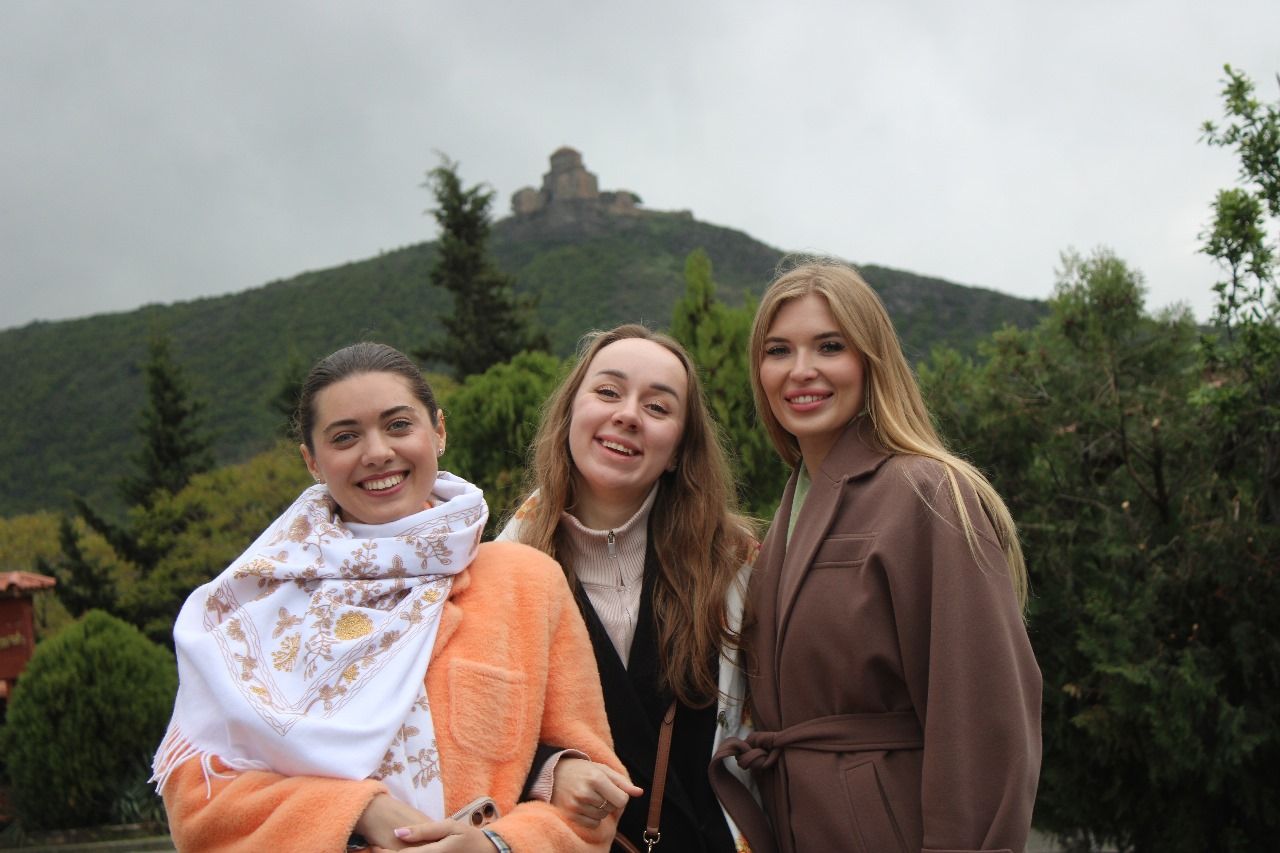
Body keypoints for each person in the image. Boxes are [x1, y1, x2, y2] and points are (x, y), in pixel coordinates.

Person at [152, 342, 622, 853]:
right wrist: (361, 812)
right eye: (345, 437)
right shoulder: (253, 604)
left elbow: (595, 800)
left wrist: (494, 846)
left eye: (398, 425)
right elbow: (200, 803)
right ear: (312, 461)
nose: (376, 452)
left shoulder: (525, 583)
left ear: (438, 431)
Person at [711, 261, 1042, 853]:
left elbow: (983, 719)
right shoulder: (790, 509)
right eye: (779, 350)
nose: (801, 370)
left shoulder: (929, 492)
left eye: (829, 346)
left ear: (871, 360)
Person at [498, 324, 759, 853]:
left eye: (658, 407)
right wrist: (549, 770)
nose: (628, 415)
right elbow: (477, 727)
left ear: (679, 449)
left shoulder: (737, 567)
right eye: (608, 392)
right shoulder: (502, 571)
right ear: (570, 413)